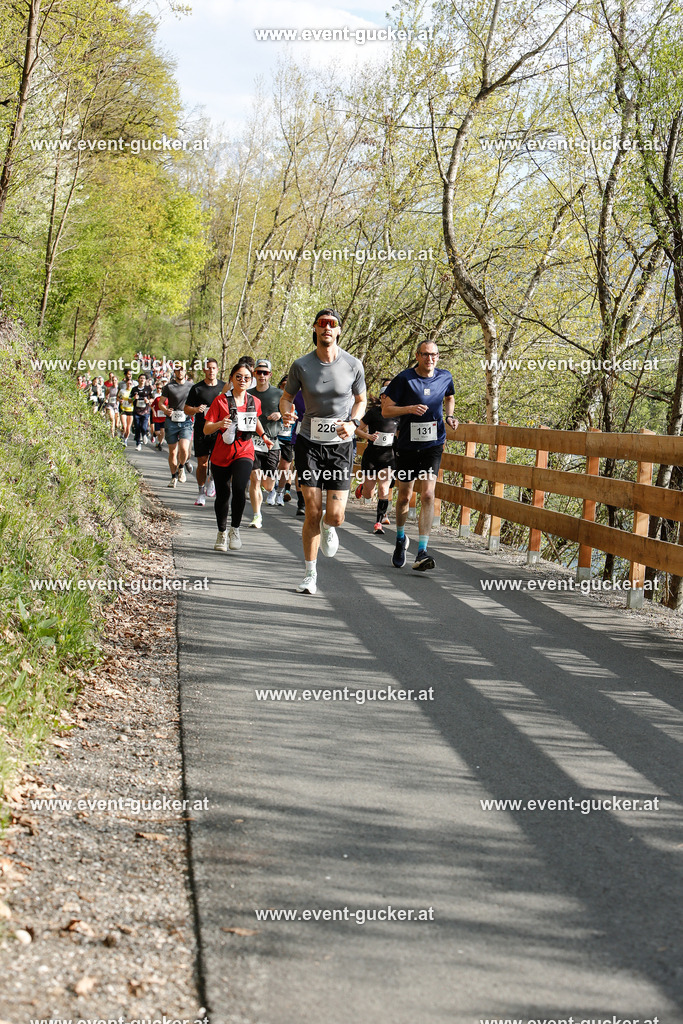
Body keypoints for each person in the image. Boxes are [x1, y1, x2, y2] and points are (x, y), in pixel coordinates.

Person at [280, 308, 366, 595]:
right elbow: (287, 397)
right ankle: (309, 574)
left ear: (339, 330)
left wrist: (353, 424)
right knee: (313, 511)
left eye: (332, 324)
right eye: (322, 324)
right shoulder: (301, 365)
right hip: (309, 443)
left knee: (336, 516)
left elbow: (361, 400)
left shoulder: (353, 365)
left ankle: (331, 527)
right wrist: (286, 413)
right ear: (315, 329)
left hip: (340, 446)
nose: (327, 328)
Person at [382, 341, 458, 571]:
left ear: (438, 356)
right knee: (404, 496)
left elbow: (449, 397)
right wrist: (409, 409)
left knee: (427, 494)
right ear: (417, 355)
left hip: (432, 445)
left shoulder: (445, 377)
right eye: (425, 355)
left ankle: (422, 550)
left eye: (434, 355)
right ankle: (400, 538)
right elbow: (386, 410)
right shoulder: (404, 379)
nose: (430, 359)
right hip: (406, 445)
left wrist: (450, 416)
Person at [204, 363, 274, 551]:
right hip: (222, 453)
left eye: (246, 378)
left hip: (244, 450)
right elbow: (206, 428)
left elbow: (256, 420)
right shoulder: (220, 401)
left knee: (239, 487)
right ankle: (221, 533)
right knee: (223, 494)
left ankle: (235, 529)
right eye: (239, 377)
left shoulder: (254, 401)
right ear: (232, 378)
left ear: (250, 380)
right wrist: (220, 423)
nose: (243, 380)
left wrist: (265, 437)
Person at [354, 380, 398, 534]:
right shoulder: (373, 413)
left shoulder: (398, 414)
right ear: (381, 397)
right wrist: (368, 436)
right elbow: (357, 429)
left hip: (388, 458)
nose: (389, 399)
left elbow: (401, 434)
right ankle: (362, 487)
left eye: (392, 396)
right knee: (368, 493)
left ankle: (378, 522)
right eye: (386, 396)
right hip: (372, 457)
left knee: (384, 488)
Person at [184, 358, 225, 506]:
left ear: (217, 369)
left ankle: (212, 481)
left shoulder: (224, 387)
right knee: (202, 462)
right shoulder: (197, 389)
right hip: (201, 429)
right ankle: (201, 492)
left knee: (216, 461)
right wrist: (196, 409)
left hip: (218, 429)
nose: (211, 371)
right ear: (204, 370)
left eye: (213, 368)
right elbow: (186, 408)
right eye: (208, 368)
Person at [247, 359, 283, 527]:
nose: (262, 375)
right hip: (251, 442)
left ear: (270, 375)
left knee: (268, 485)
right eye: (258, 372)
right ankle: (256, 515)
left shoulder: (278, 394)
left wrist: (280, 415)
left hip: (271, 444)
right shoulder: (248, 394)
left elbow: (290, 412)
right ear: (254, 373)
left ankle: (265, 489)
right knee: (255, 478)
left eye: (265, 372)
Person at [158, 363, 194, 488]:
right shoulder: (169, 386)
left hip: (186, 421)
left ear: (185, 372)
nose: (180, 372)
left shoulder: (191, 386)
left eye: (182, 370)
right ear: (175, 372)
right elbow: (161, 403)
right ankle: (173, 477)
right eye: (177, 370)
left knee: (184, 449)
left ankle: (182, 467)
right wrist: (165, 410)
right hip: (171, 421)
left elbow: (197, 401)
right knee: (173, 452)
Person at [130, 372, 154, 450]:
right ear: (138, 380)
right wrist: (134, 398)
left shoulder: (148, 388)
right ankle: (138, 443)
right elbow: (129, 400)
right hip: (136, 411)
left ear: (146, 380)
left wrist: (148, 401)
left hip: (145, 411)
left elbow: (152, 399)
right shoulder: (134, 389)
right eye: (141, 378)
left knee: (143, 426)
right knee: (137, 427)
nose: (142, 380)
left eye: (143, 378)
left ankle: (144, 434)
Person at [117, 368, 135, 445]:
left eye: (131, 374)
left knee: (128, 428)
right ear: (125, 375)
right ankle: (122, 435)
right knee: (124, 426)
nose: (130, 376)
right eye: (128, 374)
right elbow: (117, 395)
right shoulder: (121, 384)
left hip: (131, 409)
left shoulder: (135, 384)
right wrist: (119, 400)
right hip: (122, 408)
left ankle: (125, 439)